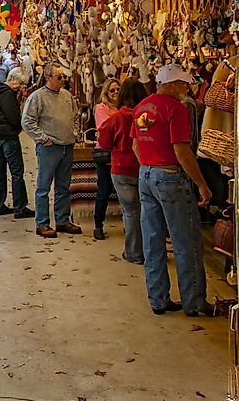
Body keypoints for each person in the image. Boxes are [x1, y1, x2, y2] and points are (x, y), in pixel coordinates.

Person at [131, 64, 214, 316]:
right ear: (170, 84)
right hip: (169, 176)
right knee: (185, 241)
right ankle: (195, 303)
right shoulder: (176, 109)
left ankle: (158, 299)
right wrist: (202, 184)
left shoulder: (141, 107)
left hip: (145, 174)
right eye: (183, 83)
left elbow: (135, 145)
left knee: (153, 240)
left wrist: (149, 167)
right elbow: (182, 151)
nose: (186, 88)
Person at [21, 63, 81, 238]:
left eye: (64, 76)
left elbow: (75, 116)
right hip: (49, 148)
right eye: (59, 77)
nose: (63, 80)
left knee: (64, 186)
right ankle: (42, 223)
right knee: (43, 187)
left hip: (67, 146)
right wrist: (43, 139)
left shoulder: (67, 96)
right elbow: (27, 121)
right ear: (48, 78)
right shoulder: (37, 97)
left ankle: (62, 220)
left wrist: (74, 133)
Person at [96, 79, 148, 265]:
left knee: (131, 212)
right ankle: (150, 252)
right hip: (144, 168)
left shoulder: (116, 118)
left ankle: (134, 253)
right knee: (147, 212)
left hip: (121, 170)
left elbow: (103, 142)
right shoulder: (147, 117)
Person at [0, 68, 35, 219]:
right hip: (8, 136)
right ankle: (20, 207)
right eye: (21, 83)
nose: (22, 87)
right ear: (13, 79)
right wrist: (19, 126)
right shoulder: (7, 94)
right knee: (17, 171)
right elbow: (14, 118)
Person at [92, 78, 120, 240]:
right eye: (112, 90)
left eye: (118, 89)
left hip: (121, 154)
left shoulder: (122, 108)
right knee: (104, 191)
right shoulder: (101, 108)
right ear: (106, 93)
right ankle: (98, 225)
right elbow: (106, 129)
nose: (115, 93)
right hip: (106, 156)